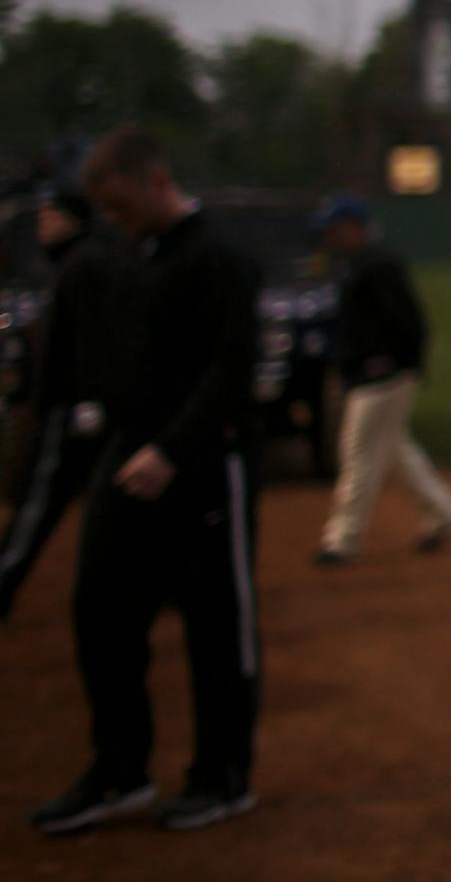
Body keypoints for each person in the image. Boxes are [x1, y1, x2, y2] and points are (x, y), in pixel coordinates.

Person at [32, 128, 263, 836]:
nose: (112, 219)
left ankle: (222, 776)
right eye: (104, 209)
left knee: (215, 627)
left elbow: (232, 369)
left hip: (203, 464)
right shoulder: (127, 256)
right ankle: (119, 769)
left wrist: (172, 448)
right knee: (99, 609)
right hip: (127, 457)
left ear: (157, 181)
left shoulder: (219, 257)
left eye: (121, 205)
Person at [310, 193, 451, 567]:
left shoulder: (379, 264)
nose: (330, 236)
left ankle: (343, 539)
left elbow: (409, 321)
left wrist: (402, 364)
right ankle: (445, 514)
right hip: (369, 372)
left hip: (383, 373)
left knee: (357, 452)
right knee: (395, 450)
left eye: (336, 228)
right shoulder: (350, 263)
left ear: (355, 227)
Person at [0, 189, 130, 622]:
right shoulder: (75, 262)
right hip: (78, 406)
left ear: (73, 220)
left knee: (39, 502)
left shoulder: (85, 262)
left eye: (50, 216)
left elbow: (92, 337)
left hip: (72, 408)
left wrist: (88, 398)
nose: (43, 225)